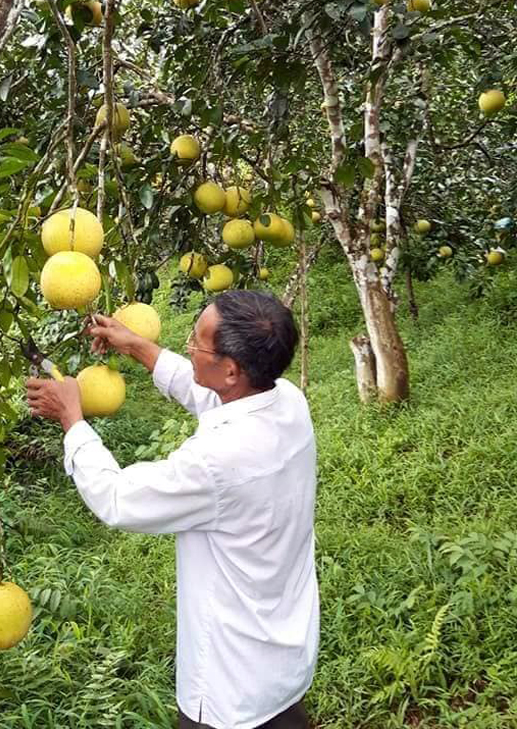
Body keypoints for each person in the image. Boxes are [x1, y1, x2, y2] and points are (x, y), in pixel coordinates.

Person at [25, 289, 318, 729]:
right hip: (280, 658)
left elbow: (117, 498)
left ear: (232, 369)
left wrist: (72, 419)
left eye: (197, 343)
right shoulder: (287, 400)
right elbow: (210, 395)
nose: (188, 346)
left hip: (229, 687)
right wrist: (139, 346)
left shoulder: (218, 462)